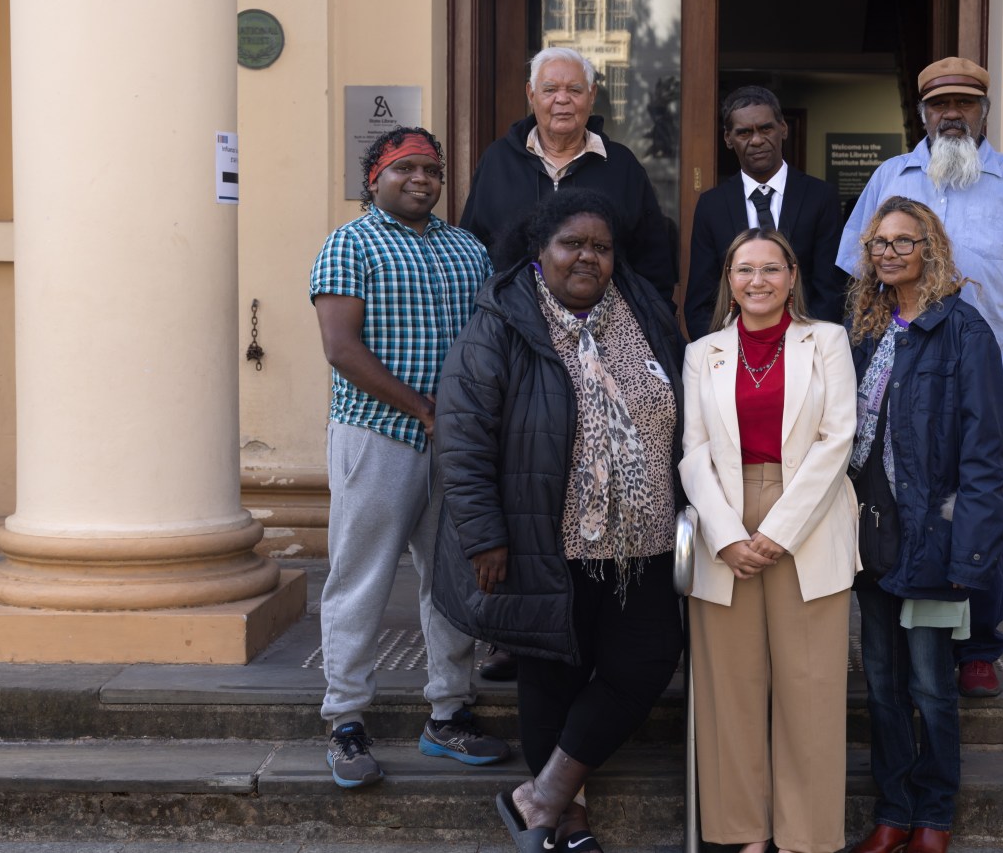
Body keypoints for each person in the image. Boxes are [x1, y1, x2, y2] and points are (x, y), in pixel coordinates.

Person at [432, 189, 686, 853]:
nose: (588, 257)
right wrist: (483, 533)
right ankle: (569, 821)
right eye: (572, 243)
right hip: (544, 536)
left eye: (601, 246)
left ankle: (538, 796)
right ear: (539, 252)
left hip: (645, 538)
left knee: (648, 660)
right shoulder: (502, 320)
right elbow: (462, 436)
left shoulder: (645, 309)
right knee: (553, 671)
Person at [837, 55, 1003, 699]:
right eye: (940, 105)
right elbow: (857, 275)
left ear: (984, 112)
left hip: (987, 380)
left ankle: (978, 647)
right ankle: (908, 639)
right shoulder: (889, 176)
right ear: (923, 113)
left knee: (976, 504)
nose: (952, 115)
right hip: (901, 376)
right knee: (901, 504)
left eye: (965, 104)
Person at [308, 126, 511, 789]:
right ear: (376, 178)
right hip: (377, 437)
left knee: (449, 579)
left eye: (432, 169)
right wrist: (422, 407)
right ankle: (345, 720)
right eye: (406, 168)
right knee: (360, 576)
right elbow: (341, 347)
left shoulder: (467, 249)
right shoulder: (350, 244)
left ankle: (447, 712)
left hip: (455, 446)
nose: (422, 179)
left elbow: (487, 340)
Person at [679, 227, 858, 853]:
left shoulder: (827, 341)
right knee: (730, 685)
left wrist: (776, 533)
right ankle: (744, 831)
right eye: (743, 269)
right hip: (723, 518)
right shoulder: (702, 352)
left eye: (770, 269)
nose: (757, 281)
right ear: (728, 280)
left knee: (810, 686)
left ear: (792, 277)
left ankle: (806, 836)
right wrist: (728, 536)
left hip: (807, 516)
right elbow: (693, 451)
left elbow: (838, 440)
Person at [843, 197, 1003, 853]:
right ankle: (893, 810)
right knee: (882, 685)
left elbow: (986, 455)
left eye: (901, 242)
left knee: (932, 685)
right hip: (870, 535)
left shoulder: (964, 332)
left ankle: (934, 817)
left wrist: (971, 554)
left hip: (933, 540)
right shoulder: (862, 329)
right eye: (878, 244)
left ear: (929, 250)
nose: (887, 253)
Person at [459, 46, 677, 311]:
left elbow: (653, 263)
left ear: (592, 95)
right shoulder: (498, 161)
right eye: (550, 90)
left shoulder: (622, 166)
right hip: (511, 325)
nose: (562, 100)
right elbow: (471, 251)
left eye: (574, 90)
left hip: (604, 330)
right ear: (531, 94)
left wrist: (655, 323)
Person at [684, 86, 846, 339]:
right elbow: (701, 300)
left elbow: (830, 290)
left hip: (806, 346)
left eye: (765, 128)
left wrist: (806, 345)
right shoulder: (711, 206)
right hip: (733, 352)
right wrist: (718, 355)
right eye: (744, 132)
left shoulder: (820, 197)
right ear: (728, 138)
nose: (757, 140)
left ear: (783, 128)